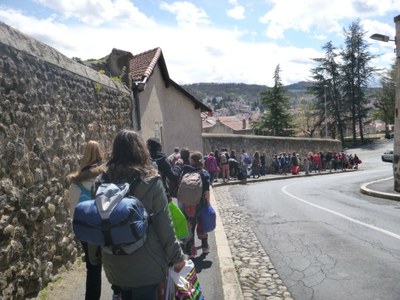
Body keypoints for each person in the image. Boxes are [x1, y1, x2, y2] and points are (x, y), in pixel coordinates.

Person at [94, 129, 185, 300]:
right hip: (146, 265)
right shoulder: (151, 181)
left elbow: (97, 222)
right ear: (141, 149)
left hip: (114, 260)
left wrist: (95, 257)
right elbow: (164, 223)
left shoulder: (101, 181)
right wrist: (177, 257)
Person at [67, 140, 108, 300]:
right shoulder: (106, 177)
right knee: (115, 261)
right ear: (100, 154)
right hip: (107, 227)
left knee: (93, 268)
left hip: (86, 230)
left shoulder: (75, 183)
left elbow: (73, 214)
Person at [180, 151, 211, 259]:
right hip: (201, 203)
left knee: (190, 227)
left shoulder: (186, 172)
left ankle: (191, 252)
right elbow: (206, 190)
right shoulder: (204, 173)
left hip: (189, 205)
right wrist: (208, 204)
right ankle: (205, 247)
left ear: (192, 161)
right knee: (202, 225)